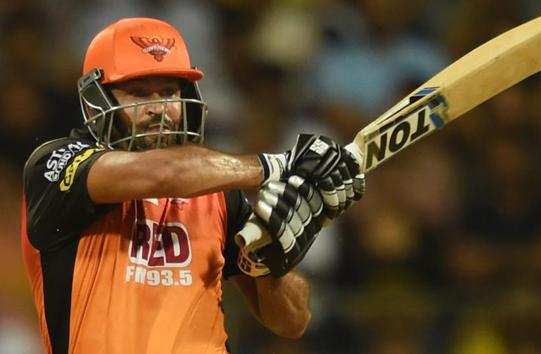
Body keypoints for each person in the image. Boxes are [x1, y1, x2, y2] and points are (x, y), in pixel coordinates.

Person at [20, 17, 365, 354]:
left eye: (169, 91)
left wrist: (269, 263)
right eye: (138, 94)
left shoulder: (215, 189)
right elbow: (162, 174)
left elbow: (293, 322)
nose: (159, 108)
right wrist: (279, 164)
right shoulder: (57, 165)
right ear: (97, 100)